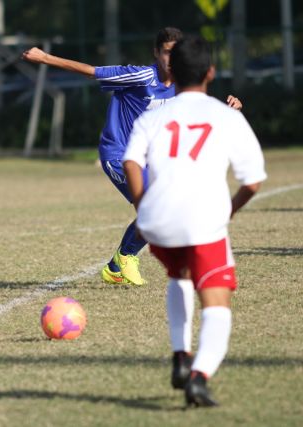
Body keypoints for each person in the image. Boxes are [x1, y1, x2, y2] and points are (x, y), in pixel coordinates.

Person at [22, 28, 243, 286]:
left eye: (177, 53)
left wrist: (227, 110)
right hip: (118, 154)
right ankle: (126, 257)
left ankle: (117, 266)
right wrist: (45, 58)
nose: (172, 59)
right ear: (156, 53)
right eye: (167, 52)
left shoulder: (183, 86)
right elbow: (91, 71)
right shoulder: (140, 76)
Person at [123, 35, 266, 406]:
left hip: (158, 223)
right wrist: (229, 211)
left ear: (173, 68)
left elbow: (131, 161)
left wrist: (143, 205)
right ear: (210, 72)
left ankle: (179, 355)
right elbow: (252, 181)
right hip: (203, 222)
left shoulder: (154, 116)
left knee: (179, 275)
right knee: (216, 303)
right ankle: (199, 376)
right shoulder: (224, 115)